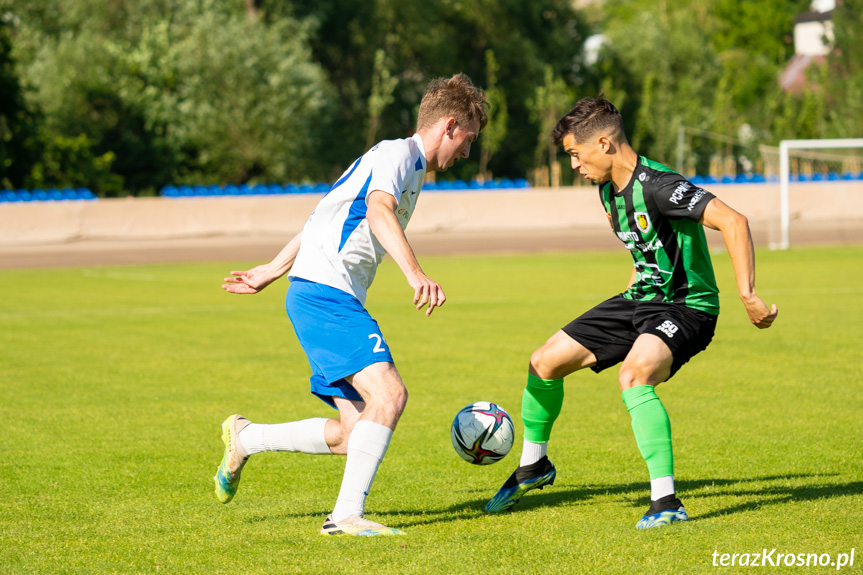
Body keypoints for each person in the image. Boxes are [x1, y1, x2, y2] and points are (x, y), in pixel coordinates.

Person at [214, 73, 488, 537]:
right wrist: (415, 274)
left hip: (317, 292)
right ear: (449, 124)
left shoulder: (401, 164)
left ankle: (246, 437)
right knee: (391, 395)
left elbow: (325, 214)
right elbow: (378, 211)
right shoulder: (398, 155)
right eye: (468, 140)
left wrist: (272, 269)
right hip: (326, 296)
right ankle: (344, 518)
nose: (466, 152)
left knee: (352, 431)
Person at [485, 97, 778, 529]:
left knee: (634, 375)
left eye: (574, 154)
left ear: (603, 143)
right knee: (543, 361)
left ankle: (667, 502)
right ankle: (534, 465)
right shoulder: (606, 191)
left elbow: (734, 221)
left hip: (687, 305)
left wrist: (748, 294)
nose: (573, 165)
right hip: (641, 298)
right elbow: (644, 246)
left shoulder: (660, 185)